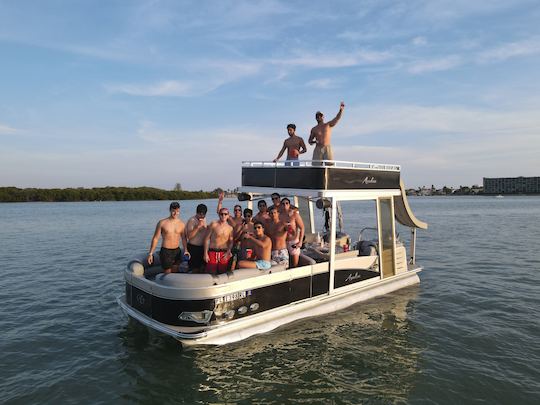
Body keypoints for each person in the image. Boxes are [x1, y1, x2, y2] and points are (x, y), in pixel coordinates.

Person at [147, 201, 188, 274]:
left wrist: (185, 250)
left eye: (177, 211)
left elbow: (184, 238)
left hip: (177, 251)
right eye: (173, 211)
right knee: (167, 272)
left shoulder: (181, 224)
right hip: (166, 251)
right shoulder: (162, 223)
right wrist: (150, 254)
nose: (175, 213)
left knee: (176, 270)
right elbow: (155, 238)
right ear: (170, 210)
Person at [203, 207, 234, 274]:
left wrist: (228, 251)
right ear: (219, 214)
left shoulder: (230, 228)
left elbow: (231, 242)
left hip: (223, 253)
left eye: (225, 214)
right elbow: (206, 239)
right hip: (212, 251)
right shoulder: (214, 224)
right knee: (211, 272)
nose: (223, 216)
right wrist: (205, 253)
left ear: (228, 215)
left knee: (222, 272)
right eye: (221, 214)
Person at [280, 197, 305, 268]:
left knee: (295, 264)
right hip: (284, 243)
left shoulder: (295, 215)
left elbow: (302, 227)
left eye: (286, 203)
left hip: (294, 242)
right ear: (281, 205)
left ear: (289, 205)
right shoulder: (279, 216)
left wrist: (300, 242)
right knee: (286, 264)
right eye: (283, 204)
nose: (285, 205)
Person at [185, 203, 208, 272]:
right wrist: (197, 227)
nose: (202, 216)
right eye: (200, 214)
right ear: (197, 213)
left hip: (202, 248)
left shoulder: (204, 219)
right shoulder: (192, 220)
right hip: (193, 248)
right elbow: (189, 236)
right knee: (194, 268)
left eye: (203, 214)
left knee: (203, 267)